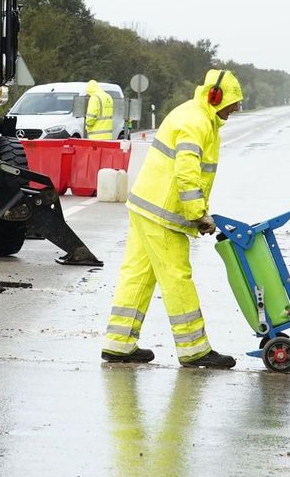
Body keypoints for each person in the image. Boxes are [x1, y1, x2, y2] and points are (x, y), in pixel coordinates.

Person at [102, 68, 244, 369]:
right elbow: (186, 174)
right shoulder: (195, 123)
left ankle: (118, 344)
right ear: (215, 97)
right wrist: (199, 216)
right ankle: (194, 349)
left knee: (137, 275)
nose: (236, 109)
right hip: (162, 214)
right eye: (233, 103)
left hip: (146, 207)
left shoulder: (195, 115)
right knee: (177, 278)